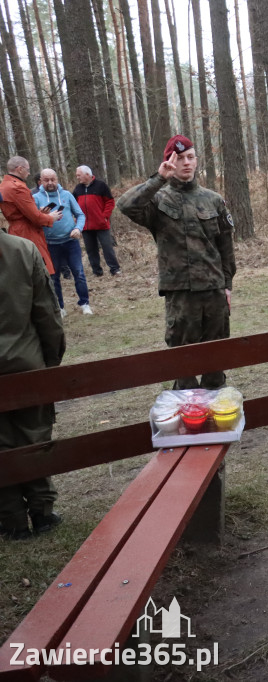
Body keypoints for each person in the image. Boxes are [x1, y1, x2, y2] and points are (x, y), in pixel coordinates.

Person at [117, 135, 236, 389]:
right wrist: (159, 178)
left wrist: (227, 285)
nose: (186, 163)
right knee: (183, 361)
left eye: (190, 157)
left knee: (217, 356)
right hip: (181, 293)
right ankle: (188, 419)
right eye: (179, 158)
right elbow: (125, 205)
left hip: (214, 290)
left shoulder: (213, 199)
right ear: (169, 162)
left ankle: (217, 415)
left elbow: (225, 247)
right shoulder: (159, 200)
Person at [0, 228, 65, 540]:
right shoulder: (23, 250)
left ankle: (12, 519)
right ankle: (42, 512)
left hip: (24, 363)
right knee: (34, 434)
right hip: (26, 363)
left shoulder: (23, 249)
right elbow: (47, 314)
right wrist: (51, 362)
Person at [34, 169, 91, 316]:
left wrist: (78, 228)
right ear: (41, 181)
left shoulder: (66, 195)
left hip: (70, 241)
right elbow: (32, 221)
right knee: (54, 277)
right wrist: (41, 215)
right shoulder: (35, 198)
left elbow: (80, 214)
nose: (50, 183)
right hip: (50, 245)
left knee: (78, 273)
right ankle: (59, 307)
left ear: (57, 179)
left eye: (53, 179)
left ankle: (85, 303)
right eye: (46, 180)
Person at [1, 156, 60, 276]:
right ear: (20, 169)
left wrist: (39, 212)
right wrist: (50, 218)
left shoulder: (4, 185)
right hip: (27, 233)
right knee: (40, 271)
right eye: (27, 170)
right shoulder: (18, 187)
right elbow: (35, 218)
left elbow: (21, 212)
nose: (28, 173)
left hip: (16, 231)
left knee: (26, 271)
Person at [72, 166, 121, 277]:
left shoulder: (101, 185)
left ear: (87, 175)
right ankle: (97, 272)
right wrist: (76, 217)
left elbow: (110, 202)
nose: (77, 177)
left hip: (101, 224)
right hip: (85, 226)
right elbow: (73, 204)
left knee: (107, 248)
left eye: (79, 175)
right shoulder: (78, 189)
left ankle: (115, 269)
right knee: (91, 250)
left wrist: (104, 216)